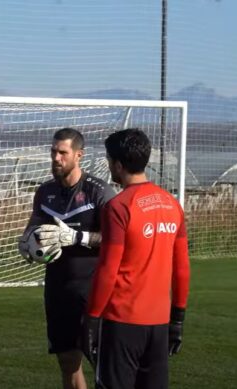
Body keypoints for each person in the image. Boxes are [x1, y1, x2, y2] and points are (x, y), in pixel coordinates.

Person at [83, 128, 191, 389]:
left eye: (109, 161)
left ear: (118, 165)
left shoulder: (119, 207)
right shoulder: (171, 204)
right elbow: (182, 269)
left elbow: (109, 269)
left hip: (122, 322)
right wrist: (177, 319)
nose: (109, 166)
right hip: (159, 322)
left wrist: (92, 319)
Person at [17, 128, 116, 389]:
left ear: (78, 155)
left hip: (94, 290)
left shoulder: (98, 192)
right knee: (68, 363)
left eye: (63, 153)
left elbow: (116, 240)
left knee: (103, 365)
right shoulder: (45, 192)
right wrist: (26, 243)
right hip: (58, 289)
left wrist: (77, 238)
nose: (56, 158)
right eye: (53, 152)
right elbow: (33, 227)